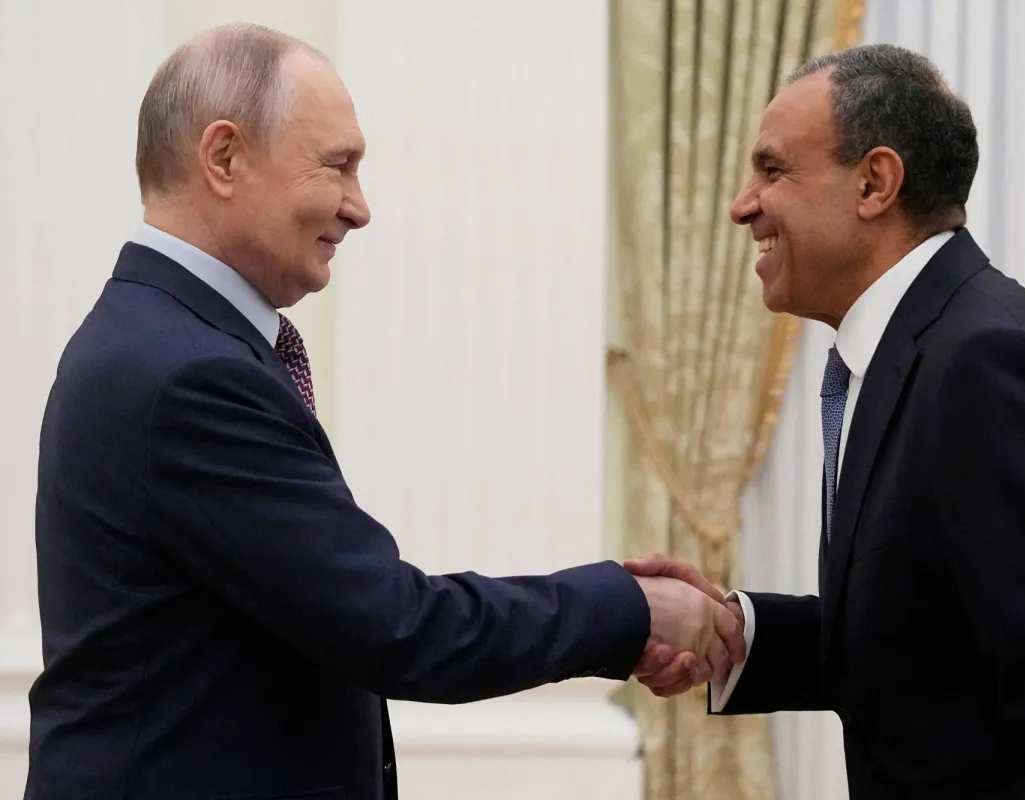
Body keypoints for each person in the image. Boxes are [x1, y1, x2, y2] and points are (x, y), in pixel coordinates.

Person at [25, 23, 743, 800]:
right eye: (338, 165)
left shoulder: (161, 337)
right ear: (224, 157)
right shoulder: (190, 373)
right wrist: (629, 609)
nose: (359, 208)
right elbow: (394, 626)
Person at [629, 43, 1025, 798]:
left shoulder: (990, 366)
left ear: (875, 183)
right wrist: (739, 633)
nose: (742, 204)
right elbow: (933, 640)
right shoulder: (923, 350)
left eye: (772, 170)